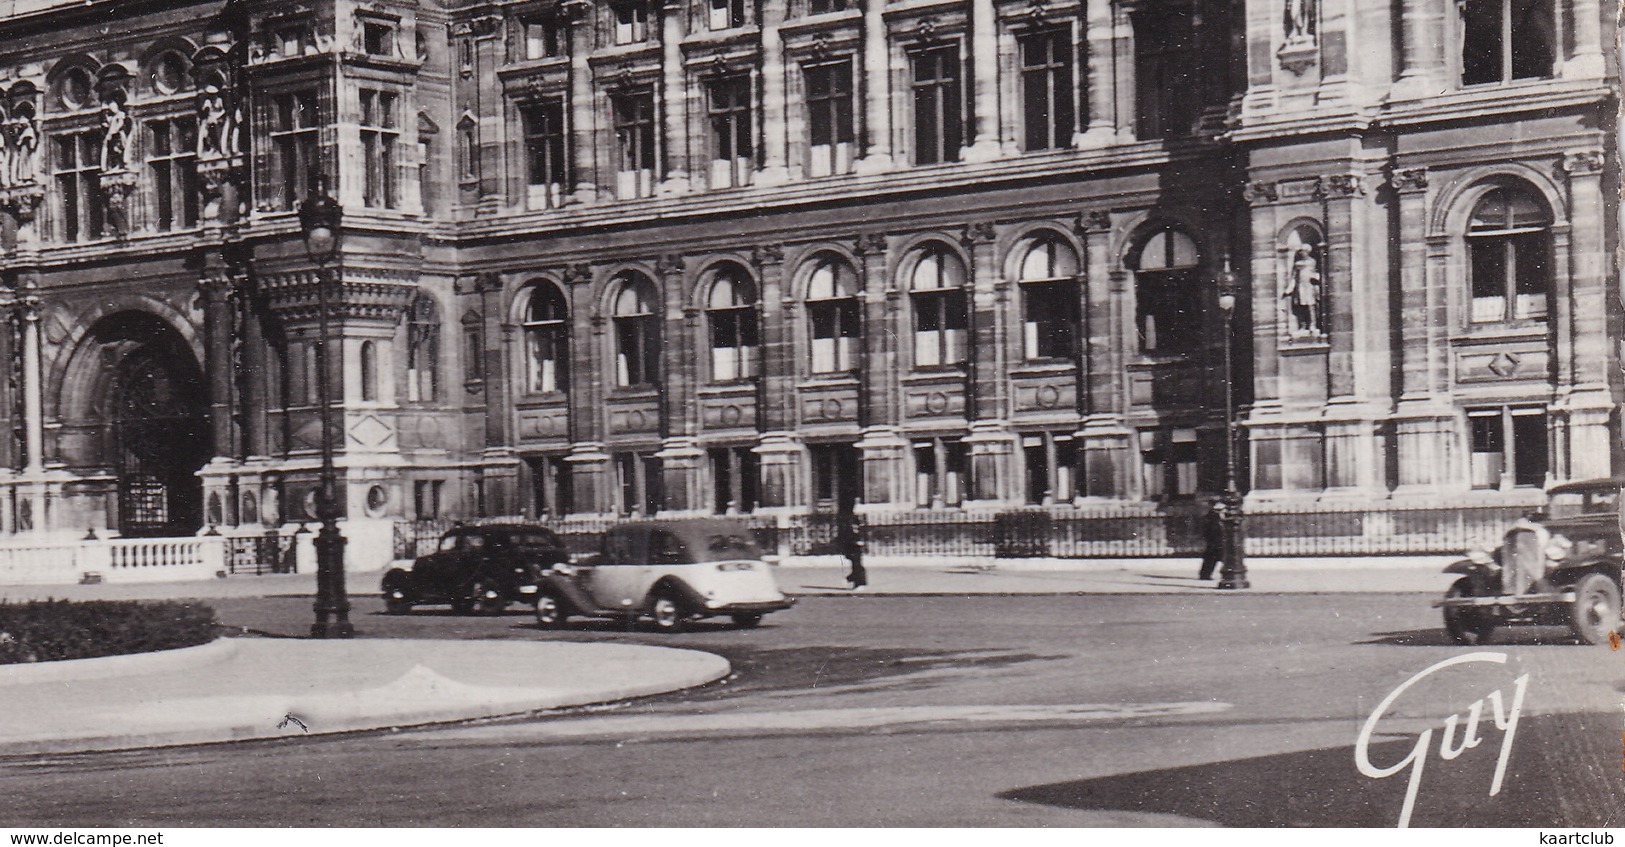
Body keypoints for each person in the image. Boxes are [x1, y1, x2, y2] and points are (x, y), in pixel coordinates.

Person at [837, 511, 867, 590]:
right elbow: (847, 539)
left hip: (857, 549)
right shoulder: (848, 529)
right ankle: (856, 582)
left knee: (857, 565)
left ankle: (856, 581)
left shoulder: (857, 530)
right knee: (856, 565)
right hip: (852, 548)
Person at [1198, 497, 1226, 580]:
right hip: (1215, 541)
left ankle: (1205, 574)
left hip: (1218, 541)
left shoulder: (1216, 515)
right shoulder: (1211, 516)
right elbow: (1209, 529)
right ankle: (1205, 575)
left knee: (1213, 558)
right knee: (1212, 558)